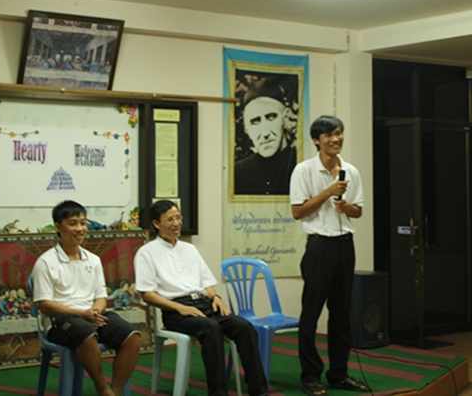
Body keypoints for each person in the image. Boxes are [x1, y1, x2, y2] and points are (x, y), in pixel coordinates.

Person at [134, 200, 269, 396]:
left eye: (178, 218)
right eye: (170, 219)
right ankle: (218, 392)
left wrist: (216, 297)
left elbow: (207, 283)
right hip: (175, 310)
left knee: (244, 327)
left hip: (204, 303)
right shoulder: (146, 253)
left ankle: (258, 390)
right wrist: (180, 308)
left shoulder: (190, 249)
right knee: (211, 328)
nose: (176, 223)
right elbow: (147, 294)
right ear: (156, 224)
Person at [289, 116, 370, 396]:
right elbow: (297, 211)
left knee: (341, 313)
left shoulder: (351, 171)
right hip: (319, 246)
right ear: (316, 140)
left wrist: (346, 206)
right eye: (330, 135)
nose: (336, 139)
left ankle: (339, 374)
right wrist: (328, 192)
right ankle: (310, 376)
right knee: (311, 313)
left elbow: (358, 211)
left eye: (339, 134)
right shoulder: (303, 170)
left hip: (345, 245)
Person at [31, 200, 141, 396]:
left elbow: (101, 297)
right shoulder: (45, 262)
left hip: (92, 315)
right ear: (58, 227)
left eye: (83, 223)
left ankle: (115, 391)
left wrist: (95, 311)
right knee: (87, 335)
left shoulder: (93, 259)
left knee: (132, 337)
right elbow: (45, 305)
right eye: (73, 223)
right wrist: (82, 313)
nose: (80, 228)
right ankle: (102, 388)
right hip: (60, 322)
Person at [235, 76, 297, 195]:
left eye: (271, 117)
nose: (265, 133)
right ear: (246, 129)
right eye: (255, 121)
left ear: (285, 117)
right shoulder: (238, 173)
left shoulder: (301, 164)